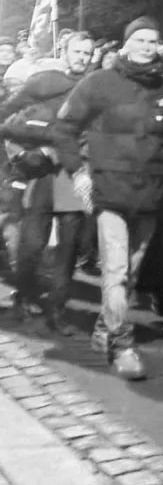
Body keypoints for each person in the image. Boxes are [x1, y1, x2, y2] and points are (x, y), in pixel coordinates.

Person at [53, 16, 163, 380]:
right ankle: (123, 346)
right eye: (140, 40)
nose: (147, 47)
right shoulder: (98, 83)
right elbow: (65, 128)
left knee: (131, 275)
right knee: (117, 272)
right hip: (109, 194)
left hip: (150, 197)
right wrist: (78, 171)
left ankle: (104, 330)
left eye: (153, 41)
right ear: (126, 44)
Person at [0, 32, 94, 331]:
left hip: (72, 173)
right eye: (77, 51)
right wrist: (23, 151)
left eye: (87, 53)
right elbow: (7, 114)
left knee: (68, 248)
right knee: (31, 244)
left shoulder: (95, 87)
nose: (82, 57)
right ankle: (24, 293)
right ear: (64, 52)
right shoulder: (44, 82)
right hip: (39, 174)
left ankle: (57, 309)